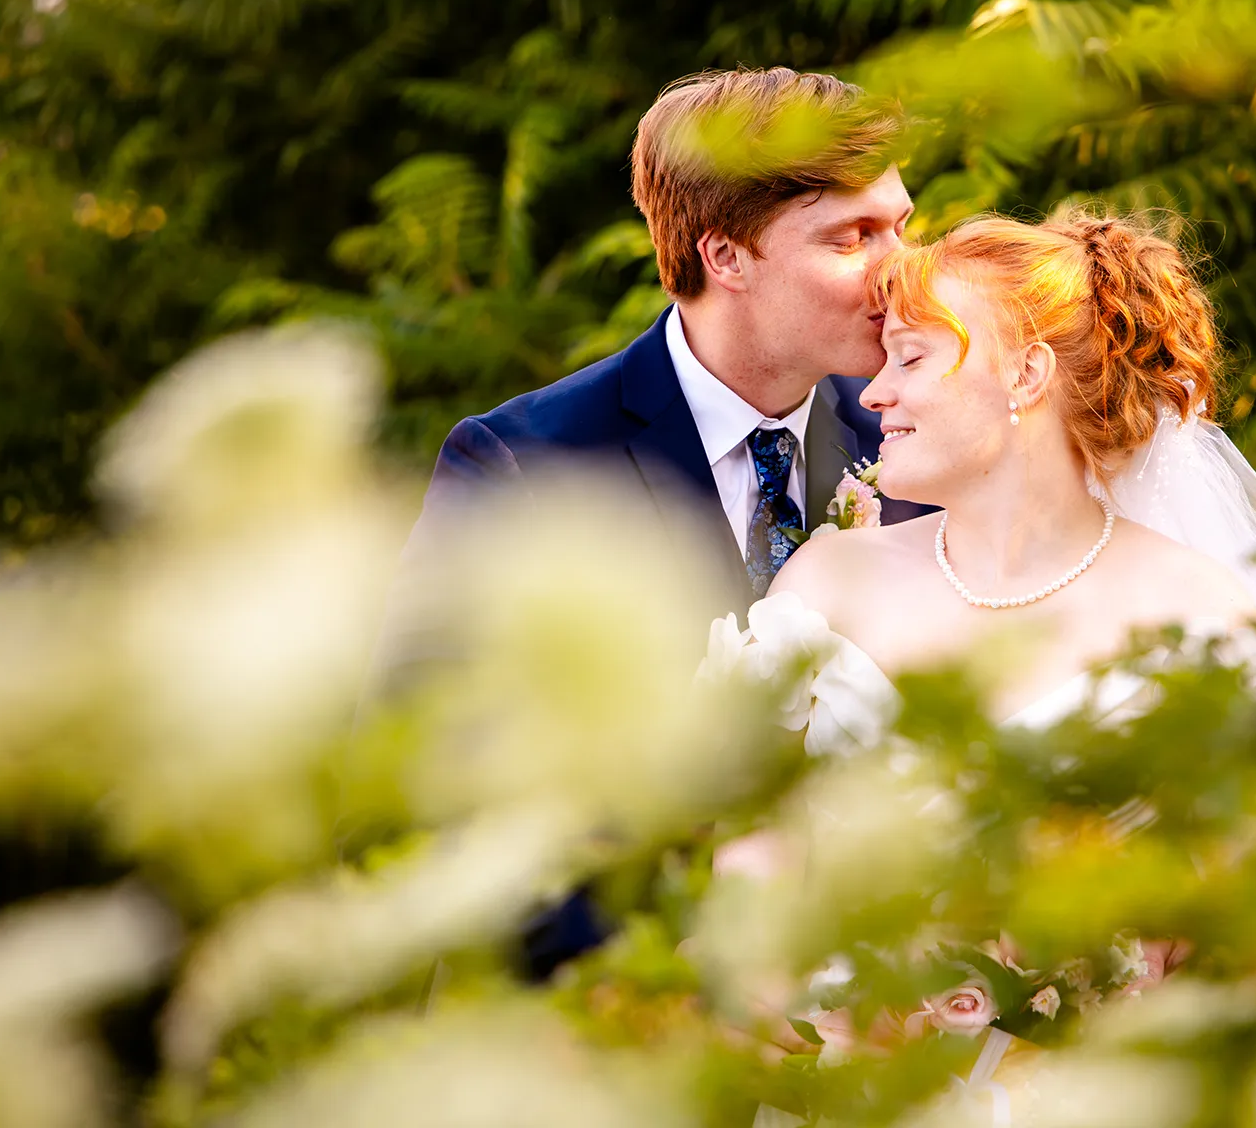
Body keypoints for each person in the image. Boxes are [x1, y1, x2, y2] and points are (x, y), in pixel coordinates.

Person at [387, 66, 922, 977]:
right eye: (854, 237)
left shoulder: (917, 444)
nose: (903, 267)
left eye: (903, 224)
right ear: (726, 257)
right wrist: (665, 984)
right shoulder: (526, 467)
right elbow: (431, 788)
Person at [717, 205, 1256, 750]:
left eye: (911, 357)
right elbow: (753, 848)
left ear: (1026, 374)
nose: (873, 393)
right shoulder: (823, 589)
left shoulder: (1195, 612)